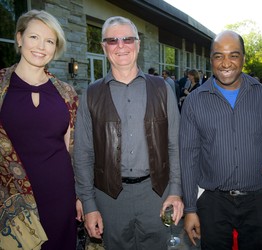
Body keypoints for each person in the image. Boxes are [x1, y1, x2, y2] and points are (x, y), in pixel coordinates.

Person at [73, 16, 183, 250]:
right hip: (110, 197)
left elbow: (175, 145)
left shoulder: (163, 89)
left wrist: (175, 191)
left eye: (127, 39)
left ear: (138, 44)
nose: (121, 46)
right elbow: (83, 154)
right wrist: (89, 204)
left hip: (156, 194)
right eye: (112, 41)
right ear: (104, 47)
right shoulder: (90, 95)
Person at [180, 30, 262, 250]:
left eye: (233, 55)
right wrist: (190, 209)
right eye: (219, 56)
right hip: (213, 203)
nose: (226, 63)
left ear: (243, 59)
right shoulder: (194, 102)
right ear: (211, 60)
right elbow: (188, 158)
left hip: (259, 202)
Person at [0, 10, 81, 249]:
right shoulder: (2, 87)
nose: (41, 46)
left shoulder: (66, 93)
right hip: (11, 203)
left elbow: (72, 150)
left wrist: (80, 197)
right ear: (19, 38)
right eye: (34, 37)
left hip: (60, 197)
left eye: (50, 41)